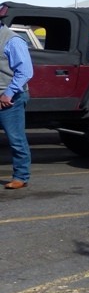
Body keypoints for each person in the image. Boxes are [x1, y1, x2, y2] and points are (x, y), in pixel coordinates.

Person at [0, 24, 33, 189]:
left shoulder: (12, 40)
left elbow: (25, 72)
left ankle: (21, 176)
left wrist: (8, 93)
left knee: (16, 139)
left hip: (9, 97)